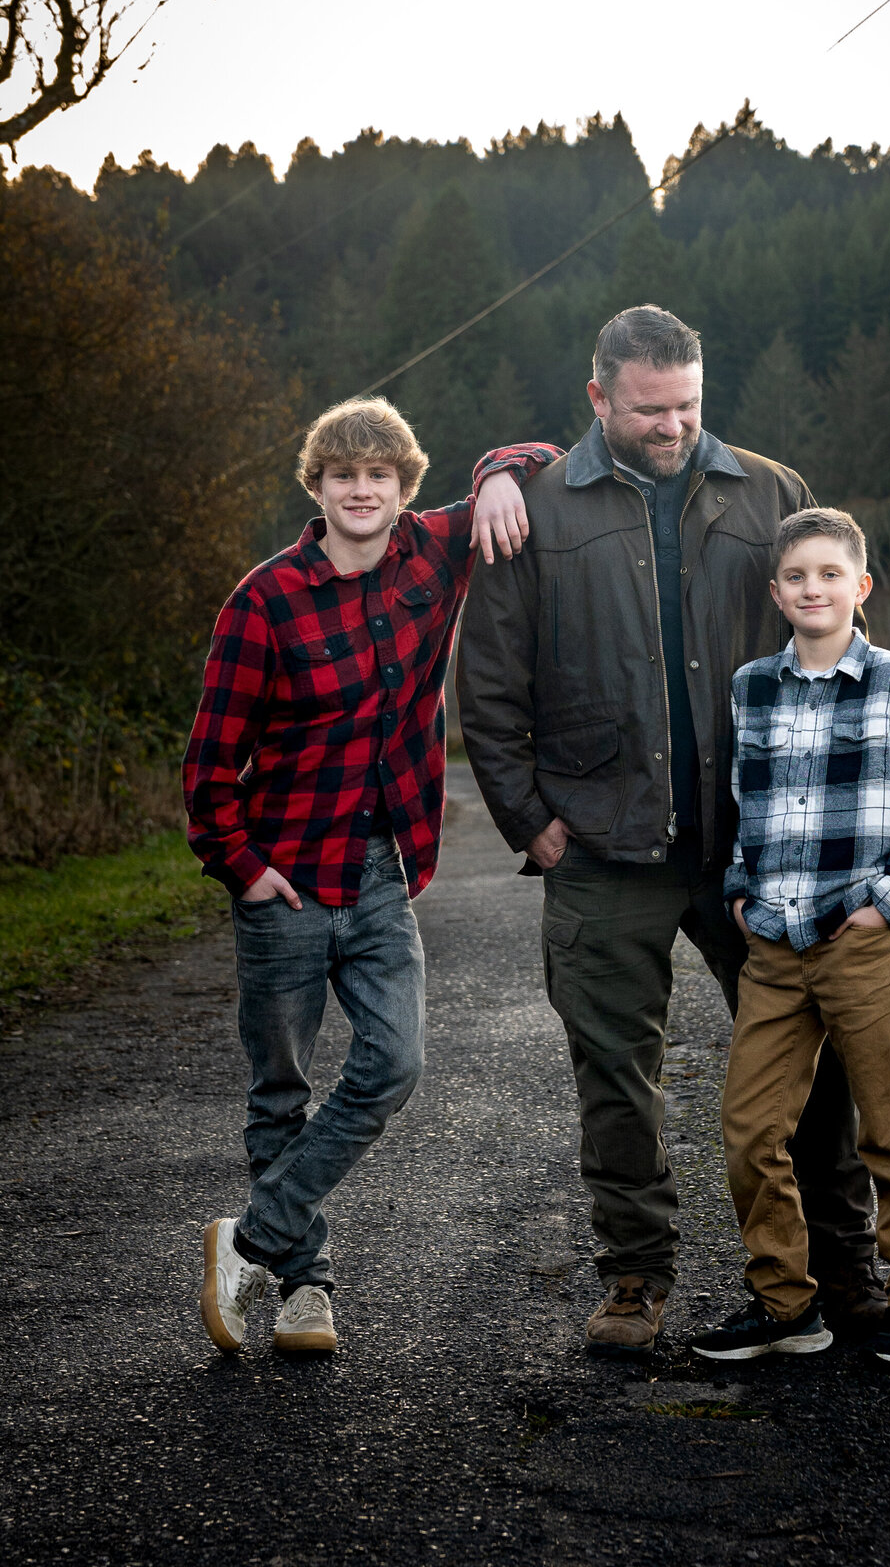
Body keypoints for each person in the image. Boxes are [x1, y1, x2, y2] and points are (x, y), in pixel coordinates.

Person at [457, 305, 882, 1358]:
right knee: (616, 1077)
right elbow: (490, 685)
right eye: (650, 409)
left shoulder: (773, 493)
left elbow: (837, 643)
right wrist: (532, 823)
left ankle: (844, 1272)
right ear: (598, 397)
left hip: (758, 851)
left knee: (816, 1066)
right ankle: (636, 1279)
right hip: (601, 844)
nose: (674, 426)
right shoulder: (539, 510)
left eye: (689, 404)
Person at [183, 396, 560, 1354]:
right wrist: (244, 868)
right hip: (286, 878)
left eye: (380, 476)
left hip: (382, 863)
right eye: (344, 475)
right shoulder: (264, 600)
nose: (362, 490)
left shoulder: (433, 555)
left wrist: (501, 473)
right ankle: (305, 1291)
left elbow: (541, 451)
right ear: (317, 486)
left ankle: (255, 1240)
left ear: (404, 489)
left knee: (395, 1063)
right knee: (281, 1090)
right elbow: (208, 762)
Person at [690, 506, 890, 1366]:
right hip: (772, 942)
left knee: (889, 1123)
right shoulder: (751, 687)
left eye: (830, 575)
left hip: (862, 942)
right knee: (749, 1125)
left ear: (860, 588)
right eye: (798, 577)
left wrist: (884, 904)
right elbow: (743, 812)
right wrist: (739, 892)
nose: (814, 589)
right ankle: (784, 1305)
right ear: (777, 593)